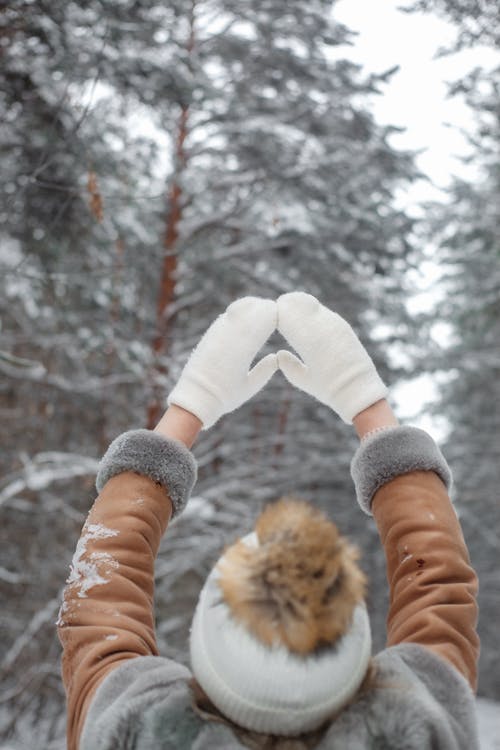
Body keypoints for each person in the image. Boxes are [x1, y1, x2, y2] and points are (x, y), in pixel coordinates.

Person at [57, 292, 480, 750]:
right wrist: (367, 402)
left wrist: (188, 410)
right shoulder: (424, 729)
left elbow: (99, 589)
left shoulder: (132, 731)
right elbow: (440, 587)